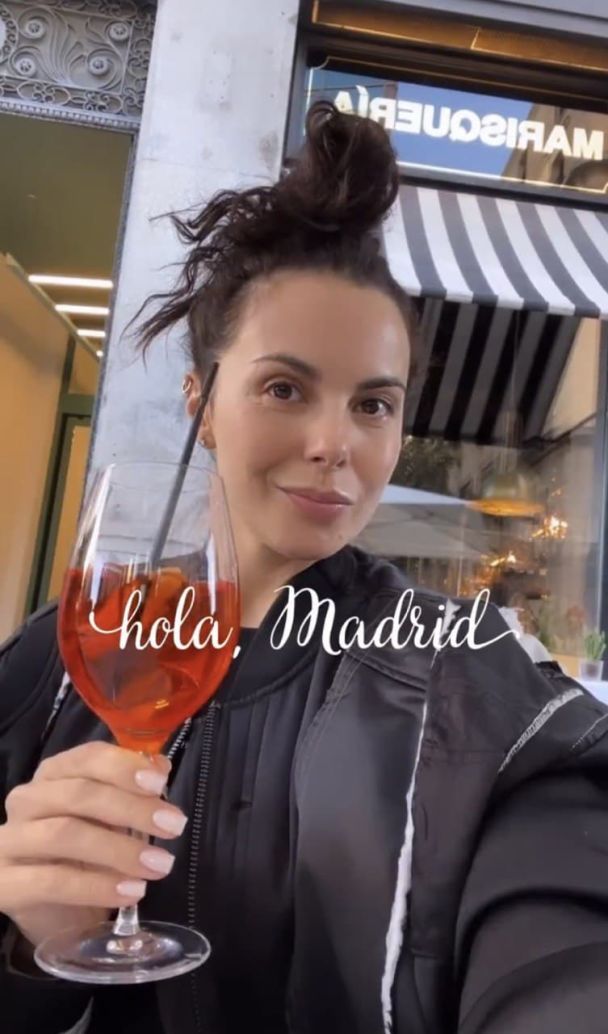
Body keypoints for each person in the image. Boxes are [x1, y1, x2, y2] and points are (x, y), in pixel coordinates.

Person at [1, 102, 608, 1034]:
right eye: (285, 388)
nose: (336, 443)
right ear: (202, 403)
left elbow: (560, 925)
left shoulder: (465, 675)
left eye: (374, 405)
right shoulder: (59, 663)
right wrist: (30, 953)